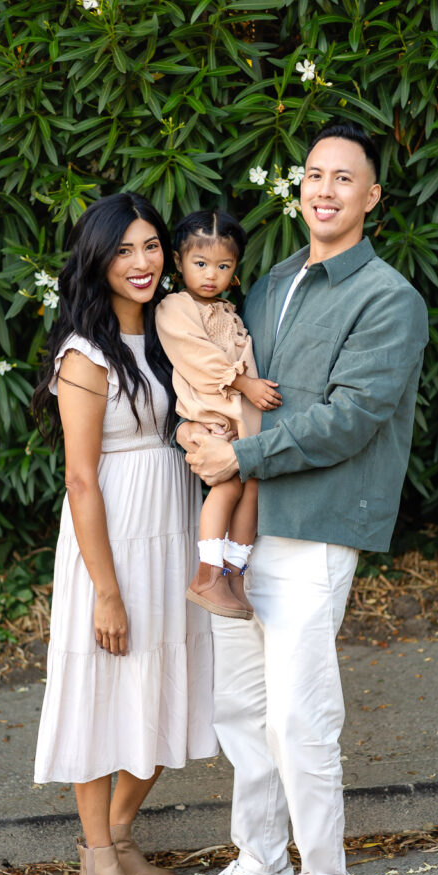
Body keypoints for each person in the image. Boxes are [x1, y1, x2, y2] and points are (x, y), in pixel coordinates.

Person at [175, 121, 429, 875]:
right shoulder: (273, 278)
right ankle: (261, 861)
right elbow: (230, 378)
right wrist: (206, 439)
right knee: (240, 708)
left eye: (342, 179)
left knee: (297, 715)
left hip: (313, 526)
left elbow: (351, 419)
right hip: (243, 526)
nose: (323, 190)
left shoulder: (387, 298)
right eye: (313, 175)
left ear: (370, 198)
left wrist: (238, 453)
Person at [31, 192, 217, 875]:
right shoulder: (84, 353)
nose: (139, 264)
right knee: (102, 697)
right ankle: (97, 862)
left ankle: (115, 839)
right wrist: (105, 592)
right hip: (109, 539)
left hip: (172, 525)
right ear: (98, 260)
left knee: (169, 686)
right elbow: (80, 477)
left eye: (149, 248)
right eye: (122, 251)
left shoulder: (171, 332)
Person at [156, 210, 282, 620]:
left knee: (252, 490)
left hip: (239, 421)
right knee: (226, 489)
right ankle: (207, 574)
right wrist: (245, 384)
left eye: (223, 266)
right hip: (212, 416)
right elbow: (199, 357)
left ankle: (233, 574)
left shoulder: (228, 310)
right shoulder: (174, 307)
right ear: (178, 263)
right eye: (200, 264)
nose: (212, 274)